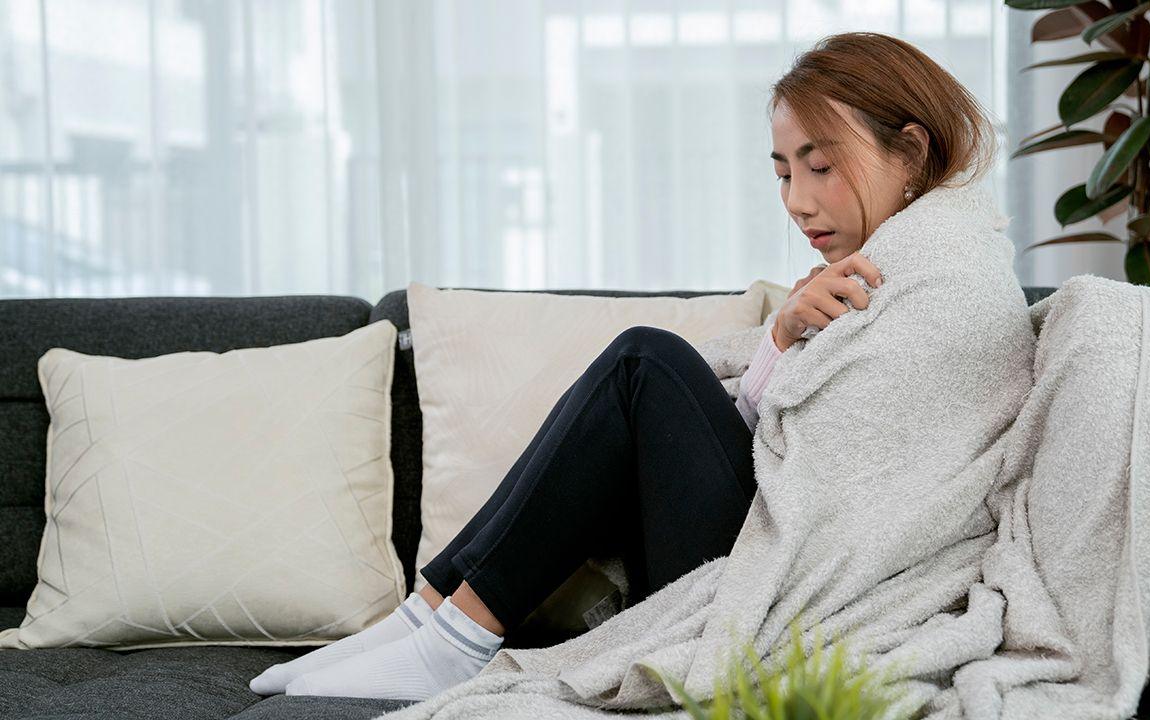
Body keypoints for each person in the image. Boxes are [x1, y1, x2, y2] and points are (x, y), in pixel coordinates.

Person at [249, 30, 994, 701]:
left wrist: (782, 352)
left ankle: (450, 641)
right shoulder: (876, 271)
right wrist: (777, 344)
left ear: (912, 152)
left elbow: (843, 499)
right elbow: (786, 437)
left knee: (647, 361)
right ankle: (428, 618)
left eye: (821, 167)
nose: (798, 202)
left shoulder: (942, 282)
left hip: (782, 586)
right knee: (643, 365)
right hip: (749, 552)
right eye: (782, 173)